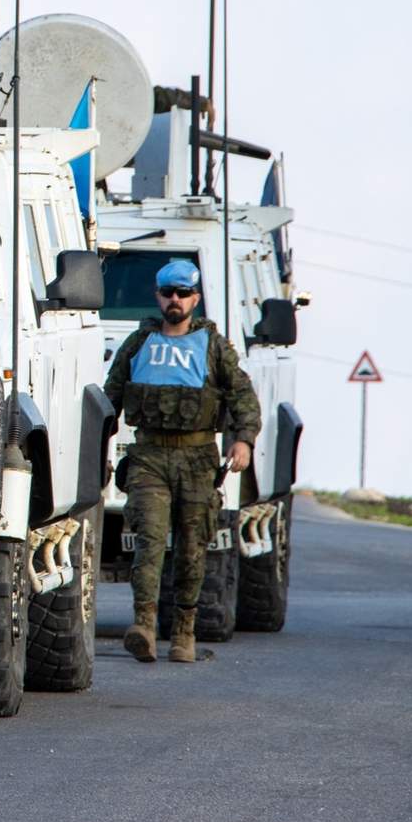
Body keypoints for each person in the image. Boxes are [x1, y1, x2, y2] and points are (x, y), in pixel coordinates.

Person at [101, 258, 261, 665]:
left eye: (183, 293)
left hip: (197, 458)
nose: (175, 300)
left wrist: (243, 441)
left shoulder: (213, 347)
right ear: (158, 296)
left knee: (192, 547)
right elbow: (110, 399)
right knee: (149, 541)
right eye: (168, 293)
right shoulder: (138, 344)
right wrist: (97, 452)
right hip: (149, 455)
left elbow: (243, 396)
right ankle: (144, 625)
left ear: (196, 299)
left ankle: (184, 631)